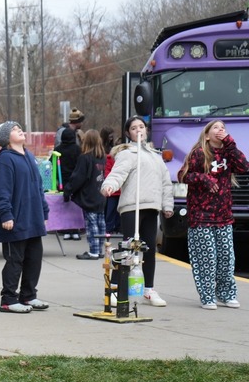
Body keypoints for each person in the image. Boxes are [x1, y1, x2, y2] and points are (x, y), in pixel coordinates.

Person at [99, 116, 173, 307]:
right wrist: (108, 186)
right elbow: (117, 174)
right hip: (132, 207)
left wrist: (168, 206)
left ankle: (148, 289)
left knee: (148, 250)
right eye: (134, 128)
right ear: (128, 133)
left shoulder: (156, 156)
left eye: (141, 126)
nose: (139, 130)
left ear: (146, 130)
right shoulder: (128, 154)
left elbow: (165, 183)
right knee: (129, 248)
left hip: (152, 206)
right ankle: (115, 287)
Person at [177, 120, 249, 309]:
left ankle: (226, 294)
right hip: (201, 216)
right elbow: (182, 175)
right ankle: (207, 296)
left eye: (223, 128)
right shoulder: (199, 153)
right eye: (216, 127)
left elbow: (244, 167)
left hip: (223, 215)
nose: (220, 130)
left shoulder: (228, 152)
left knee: (226, 257)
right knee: (207, 258)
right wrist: (203, 178)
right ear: (207, 135)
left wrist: (230, 144)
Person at [0, 121, 49, 314]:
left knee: (34, 258)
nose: (20, 131)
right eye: (15, 130)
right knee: (15, 260)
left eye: (19, 128)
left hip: (33, 219)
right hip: (14, 221)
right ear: (6, 138)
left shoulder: (29, 156)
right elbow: (1, 191)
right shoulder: (6, 160)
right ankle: (8, 299)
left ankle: (28, 295)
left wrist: (44, 211)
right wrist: (6, 215)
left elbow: (38, 187)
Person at [63, 130, 107, 260]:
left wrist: (68, 190)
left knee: (91, 223)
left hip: (89, 196)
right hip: (100, 194)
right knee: (101, 223)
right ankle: (99, 249)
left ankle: (93, 251)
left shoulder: (85, 158)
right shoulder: (102, 158)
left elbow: (78, 177)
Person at [54, 126, 82, 240]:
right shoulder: (77, 149)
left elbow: (53, 163)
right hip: (76, 181)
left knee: (65, 206)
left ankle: (65, 229)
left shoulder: (58, 149)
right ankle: (76, 230)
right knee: (76, 206)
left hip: (62, 181)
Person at [100, 126, 121, 234]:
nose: (111, 138)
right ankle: (109, 227)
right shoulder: (105, 152)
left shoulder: (113, 151)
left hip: (115, 187)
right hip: (111, 187)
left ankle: (115, 227)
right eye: (110, 136)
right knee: (110, 209)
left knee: (115, 210)